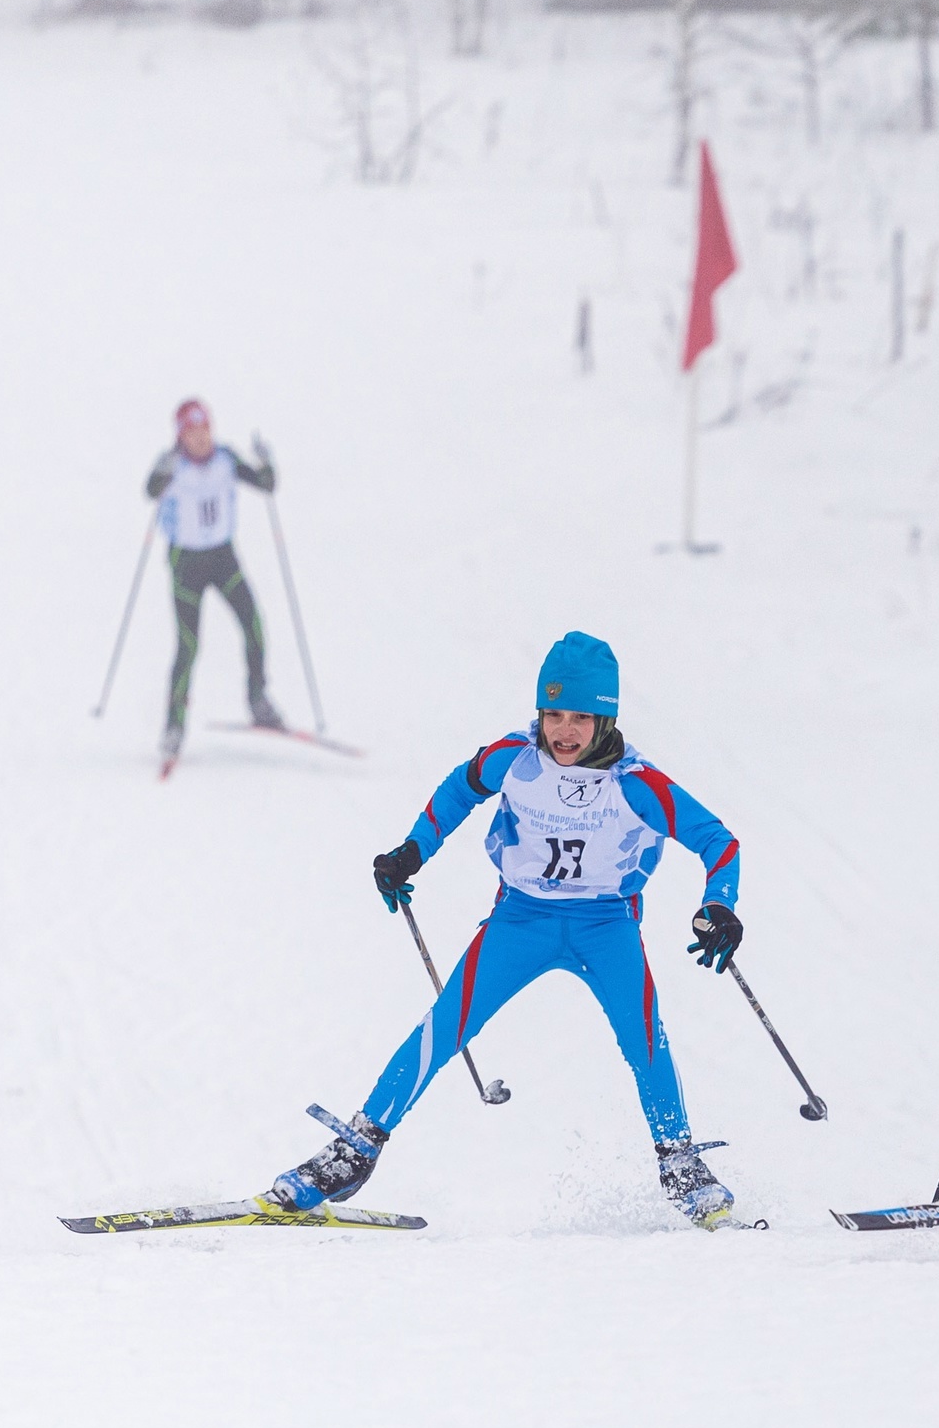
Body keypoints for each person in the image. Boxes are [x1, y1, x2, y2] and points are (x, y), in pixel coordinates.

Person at [265, 632, 753, 1229]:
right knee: (444, 1025)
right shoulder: (516, 758)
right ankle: (356, 1148)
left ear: (606, 719)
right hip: (521, 919)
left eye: (581, 717)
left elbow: (718, 842)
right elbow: (459, 787)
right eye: (553, 714)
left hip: (606, 926)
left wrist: (719, 906)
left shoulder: (637, 784)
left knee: (645, 1039)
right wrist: (412, 851)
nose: (563, 731)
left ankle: (680, 1163)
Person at [145, 399, 281, 763]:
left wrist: (267, 462)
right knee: (188, 647)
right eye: (192, 433)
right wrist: (160, 473)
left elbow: (266, 484)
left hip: (222, 557)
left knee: (253, 624)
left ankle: (258, 700)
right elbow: (151, 491)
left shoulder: (225, 460)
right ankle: (173, 728)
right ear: (181, 436)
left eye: (205, 430)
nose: (201, 439)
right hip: (186, 563)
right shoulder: (175, 467)